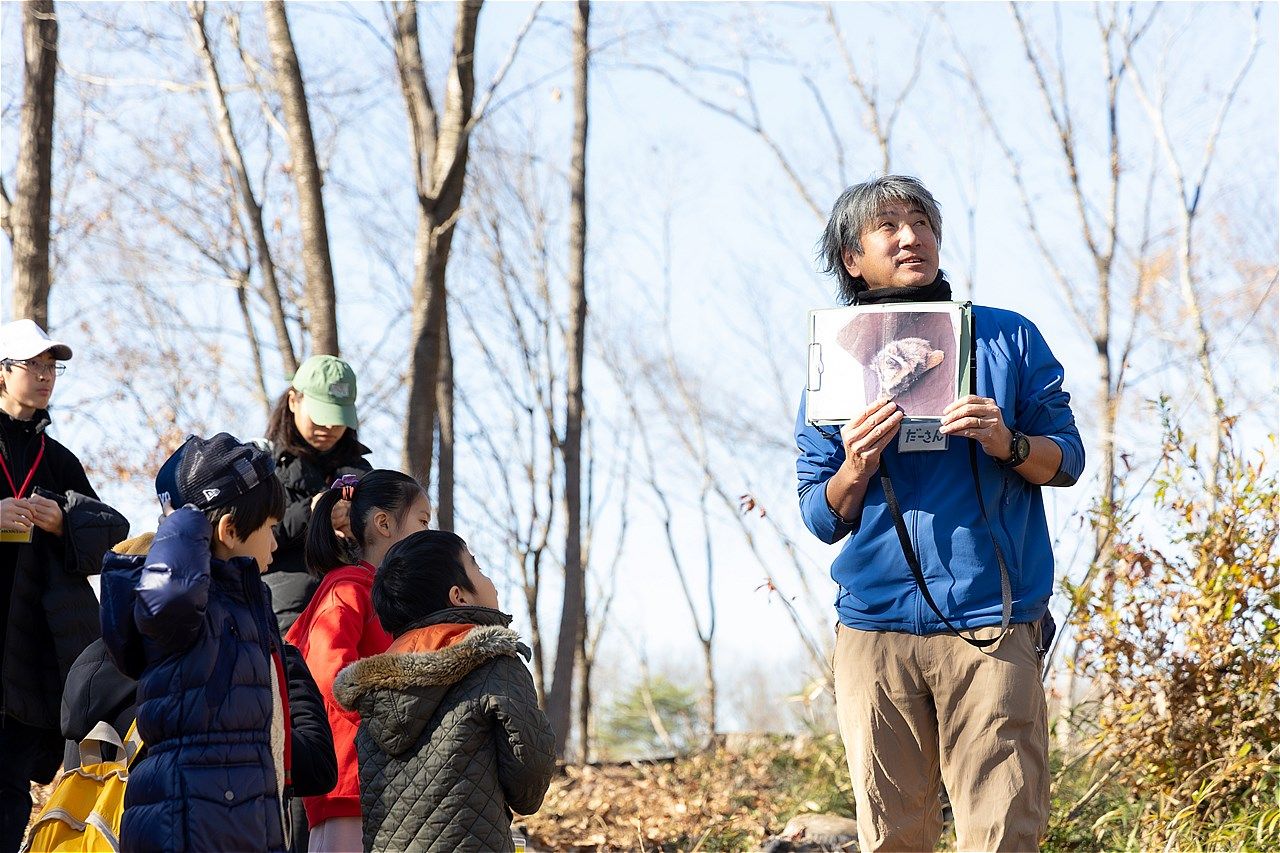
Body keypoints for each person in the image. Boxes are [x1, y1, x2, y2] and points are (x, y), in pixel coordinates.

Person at [795, 176, 1085, 852]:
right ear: (851, 257)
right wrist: (856, 465)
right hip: (873, 628)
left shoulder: (1006, 337)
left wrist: (1006, 441)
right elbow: (819, 512)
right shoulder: (835, 362)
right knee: (893, 835)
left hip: (992, 617)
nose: (910, 236)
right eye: (888, 225)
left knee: (1003, 830)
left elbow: (1066, 459)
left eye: (921, 221)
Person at [99, 432, 337, 852]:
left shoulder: (243, 602)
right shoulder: (186, 610)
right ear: (228, 530)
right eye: (270, 528)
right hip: (189, 825)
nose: (277, 542)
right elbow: (168, 597)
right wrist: (186, 517)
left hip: (236, 821)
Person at [333, 530, 555, 853]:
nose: (488, 578)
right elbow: (529, 786)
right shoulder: (494, 665)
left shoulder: (375, 691)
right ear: (458, 596)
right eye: (476, 567)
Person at [0, 319, 128, 852]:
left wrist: (64, 520)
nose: (47, 375)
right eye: (34, 364)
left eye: (53, 366)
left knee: (10, 800)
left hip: (31, 661)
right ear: (2, 373)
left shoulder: (59, 459)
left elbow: (115, 536)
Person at [285, 470, 431, 852]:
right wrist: (391, 721)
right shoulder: (348, 588)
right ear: (383, 523)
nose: (428, 534)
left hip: (377, 780)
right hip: (350, 784)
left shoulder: (378, 594)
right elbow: (328, 677)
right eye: (422, 521)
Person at [264, 355, 372, 634]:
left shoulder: (364, 473)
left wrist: (356, 527)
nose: (329, 428)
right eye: (320, 416)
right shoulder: (262, 465)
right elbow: (243, 538)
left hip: (354, 613)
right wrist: (312, 513)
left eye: (338, 419)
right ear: (293, 401)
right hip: (285, 618)